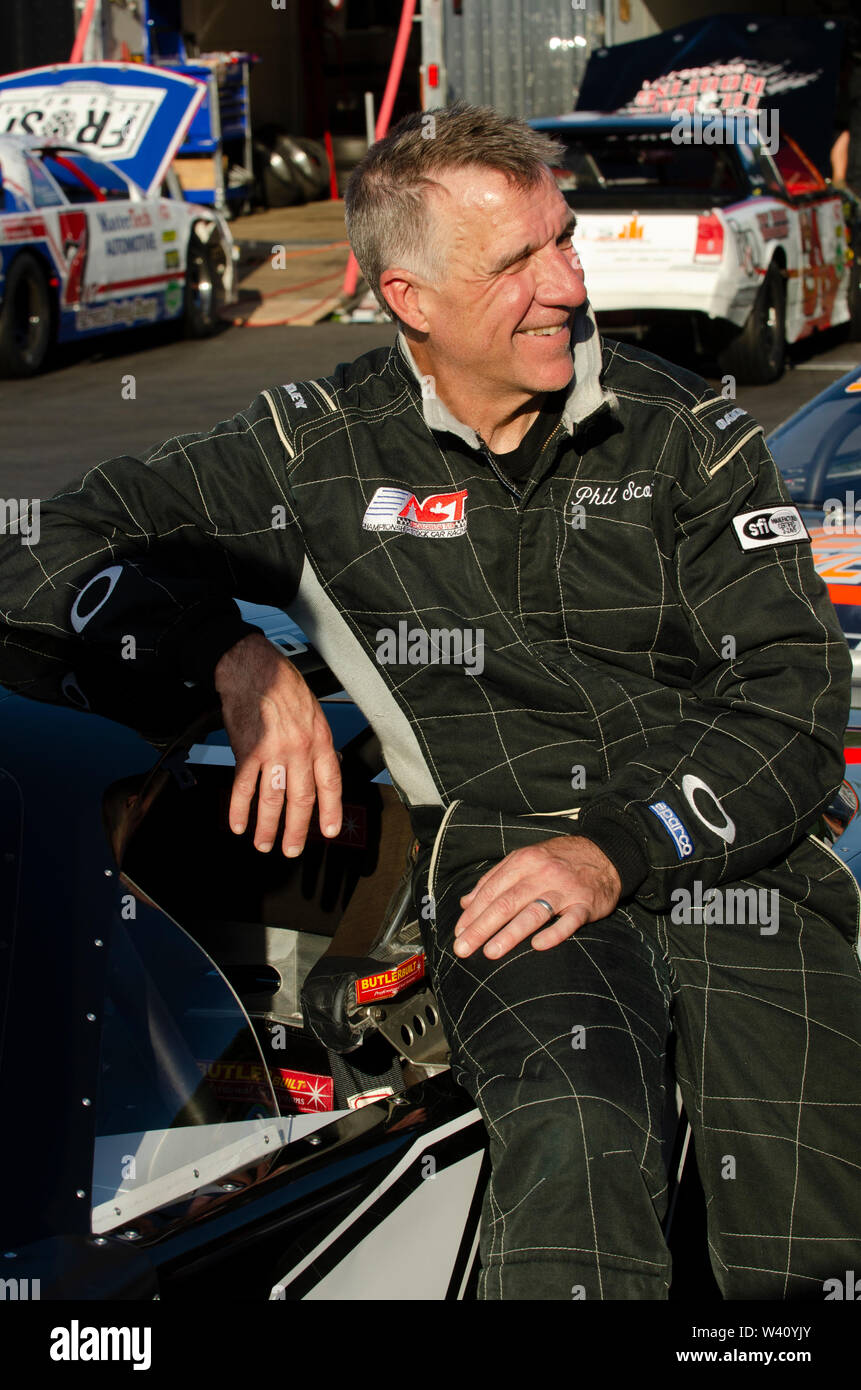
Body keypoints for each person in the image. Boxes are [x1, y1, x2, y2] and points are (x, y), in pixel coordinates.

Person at [2, 101, 860, 1300]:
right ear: (410, 299)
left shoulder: (690, 434)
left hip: (732, 854)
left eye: (563, 239)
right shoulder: (317, 450)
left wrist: (617, 848)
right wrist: (229, 661)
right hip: (506, 866)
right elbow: (41, 540)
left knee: (799, 1222)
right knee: (576, 1123)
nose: (568, 283)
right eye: (518, 262)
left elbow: (798, 701)